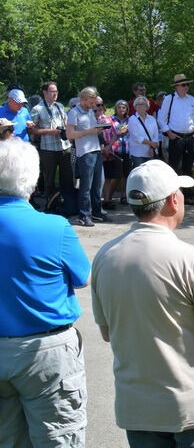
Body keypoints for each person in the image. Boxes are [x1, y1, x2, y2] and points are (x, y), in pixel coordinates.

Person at [91, 160, 194, 446]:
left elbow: (108, 333)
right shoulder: (191, 259)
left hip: (137, 408)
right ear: (172, 200)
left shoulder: (105, 256)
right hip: (192, 408)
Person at [0, 138, 91, 447]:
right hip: (46, 352)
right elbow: (82, 277)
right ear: (33, 178)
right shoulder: (55, 226)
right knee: (58, 439)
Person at [158, 73, 194, 204]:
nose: (186, 87)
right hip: (176, 137)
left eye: (187, 84)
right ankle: (171, 196)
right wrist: (169, 132)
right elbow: (161, 118)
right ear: (177, 86)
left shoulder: (192, 100)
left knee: (188, 167)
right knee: (174, 166)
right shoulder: (169, 99)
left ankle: (187, 196)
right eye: (184, 85)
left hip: (190, 137)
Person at [67, 87, 109, 227]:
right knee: (86, 186)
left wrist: (99, 129)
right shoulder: (74, 113)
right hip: (84, 153)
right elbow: (70, 135)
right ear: (83, 99)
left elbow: (92, 130)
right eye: (91, 102)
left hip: (96, 150)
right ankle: (84, 215)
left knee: (97, 185)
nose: (93, 105)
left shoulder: (90, 111)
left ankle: (97, 212)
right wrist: (89, 131)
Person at [29, 81, 73, 201]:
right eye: (52, 91)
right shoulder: (37, 109)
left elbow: (66, 123)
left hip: (64, 147)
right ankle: (50, 205)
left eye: (56, 91)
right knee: (49, 180)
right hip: (48, 149)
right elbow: (32, 130)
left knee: (67, 178)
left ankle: (68, 204)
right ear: (45, 93)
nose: (55, 94)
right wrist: (50, 131)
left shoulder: (60, 106)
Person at [102, 100, 132, 207]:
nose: (121, 109)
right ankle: (108, 197)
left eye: (124, 107)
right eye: (119, 107)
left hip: (128, 149)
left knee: (126, 174)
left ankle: (123, 196)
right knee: (115, 175)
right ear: (115, 108)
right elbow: (118, 132)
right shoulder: (111, 119)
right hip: (115, 149)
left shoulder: (130, 119)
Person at [129, 96, 161, 168]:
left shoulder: (152, 119)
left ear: (147, 107)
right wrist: (151, 143)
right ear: (135, 107)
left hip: (151, 152)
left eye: (142, 104)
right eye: (138, 104)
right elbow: (136, 137)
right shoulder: (132, 119)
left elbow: (155, 135)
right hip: (138, 153)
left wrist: (152, 148)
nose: (140, 106)